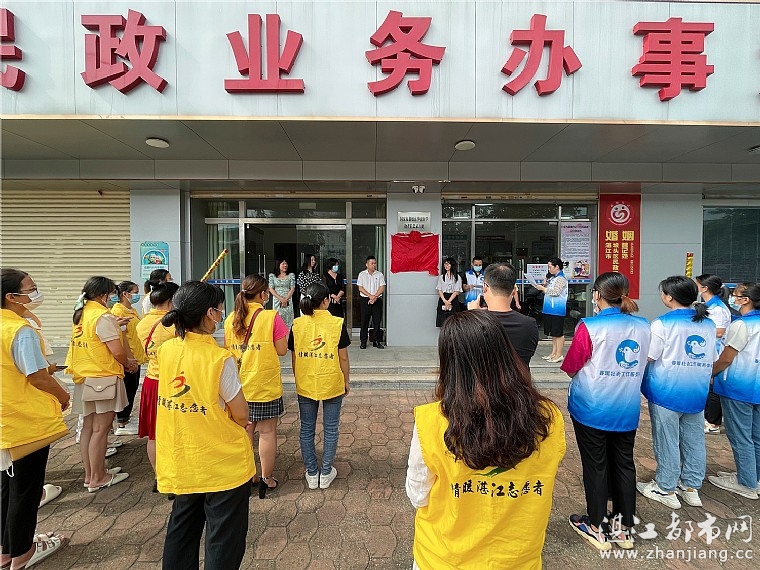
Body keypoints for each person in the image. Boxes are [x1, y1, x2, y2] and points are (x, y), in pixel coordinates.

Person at [405, 311, 565, 569]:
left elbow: (418, 495)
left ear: (450, 363)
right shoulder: (549, 418)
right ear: (505, 352)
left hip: (444, 559)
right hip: (518, 559)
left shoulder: (431, 420)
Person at [157, 281, 255, 570]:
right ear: (210, 313)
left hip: (182, 458)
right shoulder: (219, 359)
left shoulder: (167, 350)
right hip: (221, 463)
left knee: (181, 530)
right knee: (223, 539)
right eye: (220, 309)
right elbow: (241, 413)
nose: (221, 315)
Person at [562, 272, 651, 551]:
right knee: (624, 464)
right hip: (626, 408)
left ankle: (597, 526)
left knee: (596, 465)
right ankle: (623, 529)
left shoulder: (590, 326)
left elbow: (572, 366)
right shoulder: (643, 325)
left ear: (597, 295)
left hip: (592, 408)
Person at [1, 268, 71, 570]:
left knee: (7, 485)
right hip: (24, 421)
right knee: (26, 490)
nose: (36, 293)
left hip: (5, 420)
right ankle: (23, 553)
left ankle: (6, 550)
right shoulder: (20, 330)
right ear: (11, 296)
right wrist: (63, 396)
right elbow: (37, 377)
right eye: (31, 288)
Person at [637, 275, 716, 509]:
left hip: (667, 392)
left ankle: (666, 487)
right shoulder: (708, 323)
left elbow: (649, 356)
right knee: (694, 440)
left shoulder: (662, 324)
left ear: (669, 297)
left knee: (667, 440)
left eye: (663, 293)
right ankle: (691, 486)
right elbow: (712, 358)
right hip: (696, 391)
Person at [65, 276, 134, 492]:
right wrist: (128, 364)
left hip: (85, 377)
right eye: (112, 293)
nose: (114, 297)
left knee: (88, 428)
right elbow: (117, 351)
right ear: (104, 294)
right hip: (103, 378)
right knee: (100, 430)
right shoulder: (102, 316)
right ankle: (98, 477)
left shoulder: (81, 313)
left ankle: (91, 475)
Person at [224, 275, 288, 499]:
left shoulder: (230, 319)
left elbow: (228, 352)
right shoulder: (271, 317)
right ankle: (266, 479)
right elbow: (282, 350)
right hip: (265, 385)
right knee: (267, 433)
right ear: (263, 294)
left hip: (237, 388)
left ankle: (248, 476)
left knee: (245, 433)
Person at [289, 283, 350, 490]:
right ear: (326, 301)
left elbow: (294, 358)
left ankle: (312, 471)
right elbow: (343, 358)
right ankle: (325, 472)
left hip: (306, 382)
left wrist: (299, 378)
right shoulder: (337, 323)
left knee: (307, 428)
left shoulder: (297, 325)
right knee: (330, 428)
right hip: (332, 381)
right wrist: (346, 380)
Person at [708, 282, 760, 499]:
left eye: (736, 295)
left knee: (740, 436)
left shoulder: (741, 325)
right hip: (756, 387)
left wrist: (710, 372)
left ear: (746, 300)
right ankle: (753, 477)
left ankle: (746, 483)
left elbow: (727, 358)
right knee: (756, 436)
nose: (732, 298)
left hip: (738, 388)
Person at [135, 281, 179, 479]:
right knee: (174, 431)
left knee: (153, 434)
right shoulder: (175, 324)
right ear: (171, 300)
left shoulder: (142, 323)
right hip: (174, 381)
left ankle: (158, 476)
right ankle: (174, 474)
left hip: (151, 380)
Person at [466, 263, 538, 366]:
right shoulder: (530, 325)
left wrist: (472, 316)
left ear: (485, 288)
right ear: (514, 291)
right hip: (519, 377)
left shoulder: (472, 324)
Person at [696, 273, 732, 435]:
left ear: (705, 288)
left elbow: (719, 332)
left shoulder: (718, 309)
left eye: (698, 285)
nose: (696, 287)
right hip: (708, 351)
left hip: (717, 352)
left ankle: (713, 423)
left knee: (713, 387)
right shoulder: (708, 305)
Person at [111, 281, 147, 436]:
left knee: (132, 389)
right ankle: (122, 422)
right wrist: (128, 358)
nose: (137, 295)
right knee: (127, 390)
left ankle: (126, 418)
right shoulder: (118, 312)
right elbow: (122, 338)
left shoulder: (131, 310)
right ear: (125, 294)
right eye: (135, 292)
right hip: (129, 357)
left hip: (136, 356)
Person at [534, 257, 568, 363]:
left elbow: (555, 292)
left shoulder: (561, 278)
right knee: (553, 333)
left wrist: (543, 288)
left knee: (558, 333)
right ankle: (553, 353)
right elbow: (549, 290)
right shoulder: (553, 278)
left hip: (557, 309)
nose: (549, 269)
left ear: (557, 267)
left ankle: (559, 354)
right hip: (549, 308)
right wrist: (544, 284)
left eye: (550, 267)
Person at [357, 255, 386, 349]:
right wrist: (370, 296)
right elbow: (360, 288)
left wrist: (375, 296)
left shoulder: (379, 274)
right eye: (372, 263)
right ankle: (363, 341)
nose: (374, 265)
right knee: (364, 321)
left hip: (377, 300)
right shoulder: (362, 274)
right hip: (365, 300)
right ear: (367, 264)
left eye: (375, 263)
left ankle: (376, 341)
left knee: (377, 321)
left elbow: (382, 287)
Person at [435, 257, 463, 327]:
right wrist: (444, 301)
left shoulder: (457, 277)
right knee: (442, 321)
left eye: (448, 264)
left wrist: (449, 301)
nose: (446, 266)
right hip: (443, 298)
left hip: (453, 299)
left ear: (452, 265)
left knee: (454, 321)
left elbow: (456, 291)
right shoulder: (441, 277)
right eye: (445, 264)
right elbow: (439, 290)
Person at [268, 259, 296, 329]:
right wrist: (281, 299)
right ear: (278, 265)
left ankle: (287, 335)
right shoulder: (272, 276)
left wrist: (285, 300)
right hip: (277, 300)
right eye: (283, 264)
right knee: (278, 319)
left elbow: (292, 288)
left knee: (288, 320)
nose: (285, 265)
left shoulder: (291, 275)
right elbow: (271, 288)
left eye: (286, 264)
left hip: (288, 300)